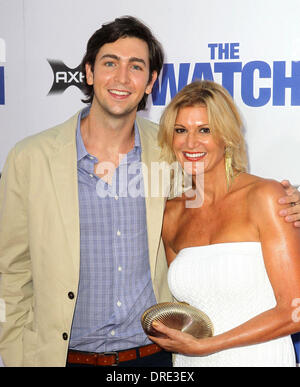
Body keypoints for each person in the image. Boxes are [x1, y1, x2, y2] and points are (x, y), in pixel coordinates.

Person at [0, 17, 299, 367]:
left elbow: (227, 194)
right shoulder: (30, 158)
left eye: (136, 67)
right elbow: (12, 270)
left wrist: (292, 201)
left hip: (153, 359)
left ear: (151, 81)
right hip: (59, 358)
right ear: (89, 72)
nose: (122, 78)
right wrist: (17, 355)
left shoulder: (171, 154)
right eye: (110, 63)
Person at [148, 80, 300, 367]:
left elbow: (295, 312)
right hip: (190, 362)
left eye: (205, 130)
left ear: (227, 137)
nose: (191, 142)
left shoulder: (265, 197)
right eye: (181, 130)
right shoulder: (172, 213)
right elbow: (188, 309)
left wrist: (209, 346)